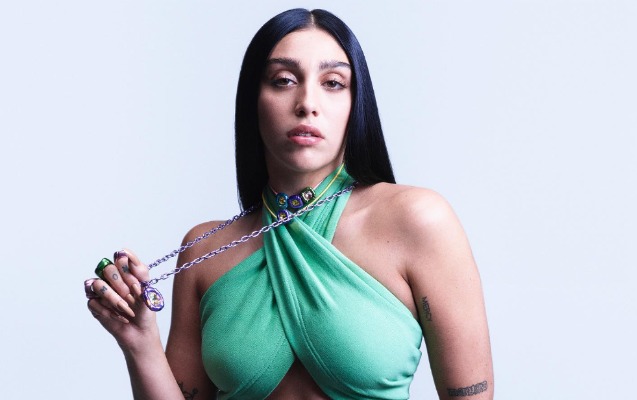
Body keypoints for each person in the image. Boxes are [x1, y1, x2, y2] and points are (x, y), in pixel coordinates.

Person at [85, 8, 493, 400]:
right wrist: (140, 343)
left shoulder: (418, 221)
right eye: (283, 80)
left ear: (356, 103)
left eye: (333, 83)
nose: (307, 103)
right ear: (253, 99)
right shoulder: (204, 251)